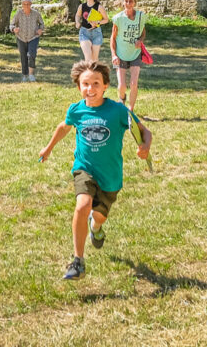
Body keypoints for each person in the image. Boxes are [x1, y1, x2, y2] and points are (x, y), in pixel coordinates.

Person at [38, 60, 151, 280]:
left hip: (110, 176)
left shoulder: (117, 110)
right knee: (82, 205)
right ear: (79, 87)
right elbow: (64, 127)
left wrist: (144, 146)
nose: (90, 89)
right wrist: (48, 148)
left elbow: (144, 131)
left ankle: (96, 227)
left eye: (96, 83)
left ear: (106, 85)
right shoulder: (77, 110)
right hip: (84, 168)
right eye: (85, 84)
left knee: (98, 217)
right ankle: (77, 261)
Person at [110, 0, 148, 112]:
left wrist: (140, 41)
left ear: (135, 2)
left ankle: (130, 110)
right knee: (122, 86)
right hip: (121, 55)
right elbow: (113, 37)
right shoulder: (118, 18)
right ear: (123, 3)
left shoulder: (141, 16)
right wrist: (114, 54)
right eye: (126, 1)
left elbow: (143, 33)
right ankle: (122, 99)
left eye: (130, 1)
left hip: (135, 55)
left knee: (133, 84)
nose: (128, 4)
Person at [10, 0, 45, 82]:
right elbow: (12, 24)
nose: (26, 6)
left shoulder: (36, 14)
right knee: (23, 56)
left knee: (31, 54)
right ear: (22, 5)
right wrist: (14, 29)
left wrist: (40, 30)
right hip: (21, 37)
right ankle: (25, 75)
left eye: (28, 4)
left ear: (31, 4)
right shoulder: (18, 13)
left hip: (33, 37)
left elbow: (42, 24)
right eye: (24, 4)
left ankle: (31, 74)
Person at [75, 0, 107, 64]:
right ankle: (87, 75)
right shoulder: (82, 6)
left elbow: (106, 19)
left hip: (96, 33)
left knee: (94, 60)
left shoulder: (99, 7)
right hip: (84, 33)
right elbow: (77, 15)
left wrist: (98, 22)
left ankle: (94, 75)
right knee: (88, 57)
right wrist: (77, 22)